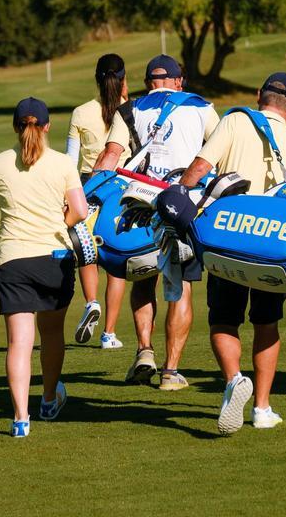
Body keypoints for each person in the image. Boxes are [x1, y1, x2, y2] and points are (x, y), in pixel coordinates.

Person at [179, 73, 286, 433]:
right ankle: (262, 408)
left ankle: (234, 380)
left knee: (223, 319)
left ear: (259, 95)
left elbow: (199, 169)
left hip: (229, 240)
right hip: (273, 249)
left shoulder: (235, 120)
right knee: (267, 322)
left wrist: (175, 199)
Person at [93, 54, 219, 391]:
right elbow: (218, 153)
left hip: (138, 204)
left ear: (149, 82)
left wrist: (90, 198)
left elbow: (110, 156)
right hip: (182, 205)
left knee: (142, 277)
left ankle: (144, 351)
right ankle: (170, 371)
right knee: (180, 288)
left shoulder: (129, 109)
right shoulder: (201, 107)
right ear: (179, 81)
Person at [0, 97, 88, 437]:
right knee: (51, 334)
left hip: (13, 262)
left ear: (15, 126)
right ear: (48, 126)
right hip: (55, 259)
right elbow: (79, 210)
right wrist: (60, 222)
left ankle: (21, 419)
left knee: (18, 343)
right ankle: (49, 400)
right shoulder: (63, 163)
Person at [65, 53, 129, 350]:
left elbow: (69, 161)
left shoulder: (80, 113)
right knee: (116, 260)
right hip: (124, 189)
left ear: (96, 78)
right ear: (123, 78)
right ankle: (109, 334)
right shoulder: (130, 111)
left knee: (87, 251)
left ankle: (91, 301)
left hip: (87, 186)